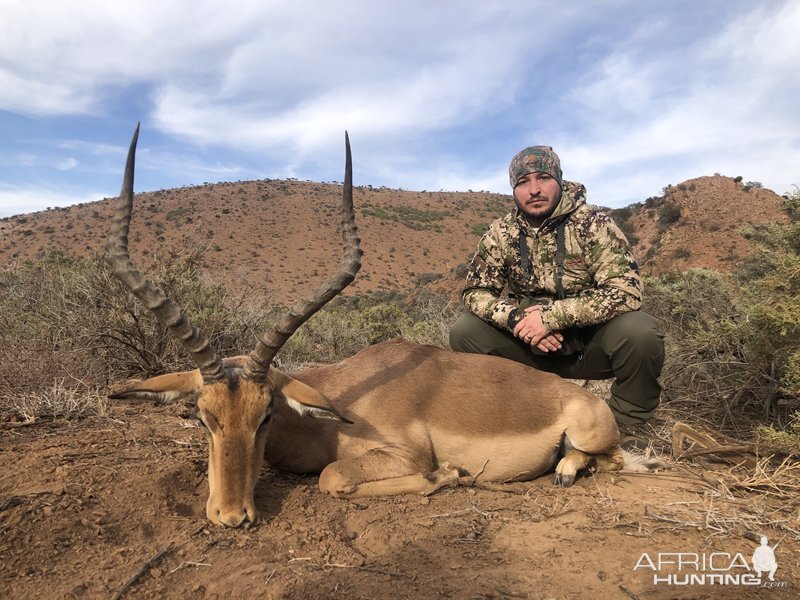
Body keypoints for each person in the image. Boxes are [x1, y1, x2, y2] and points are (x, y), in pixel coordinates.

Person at [449, 145, 664, 443]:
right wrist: (517, 320)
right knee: (465, 332)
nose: (534, 189)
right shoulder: (500, 233)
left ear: (559, 181)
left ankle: (624, 425)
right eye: (523, 182)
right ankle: (508, 416)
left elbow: (625, 291)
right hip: (528, 346)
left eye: (543, 178)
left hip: (588, 344)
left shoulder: (594, 223)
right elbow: (475, 292)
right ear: (514, 189)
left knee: (640, 332)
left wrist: (550, 318)